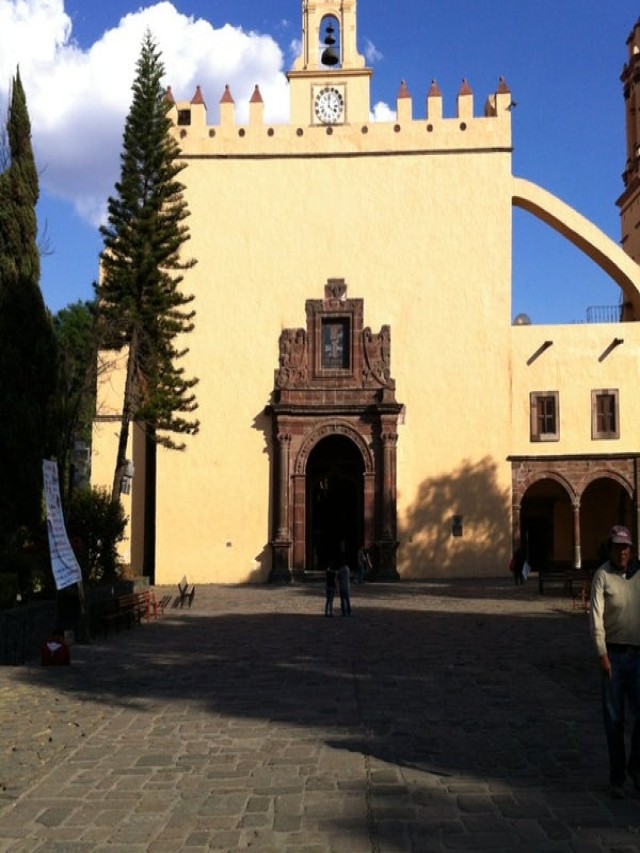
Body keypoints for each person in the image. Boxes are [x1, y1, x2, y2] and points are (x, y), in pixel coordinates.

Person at [590, 524, 640, 799]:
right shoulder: (603, 576)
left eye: (626, 547)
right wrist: (601, 652)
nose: (622, 551)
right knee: (614, 719)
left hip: (638, 654)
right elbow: (596, 617)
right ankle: (617, 776)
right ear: (609, 548)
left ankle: (636, 768)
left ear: (631, 549)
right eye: (617, 547)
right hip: (613, 655)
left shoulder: (639, 574)